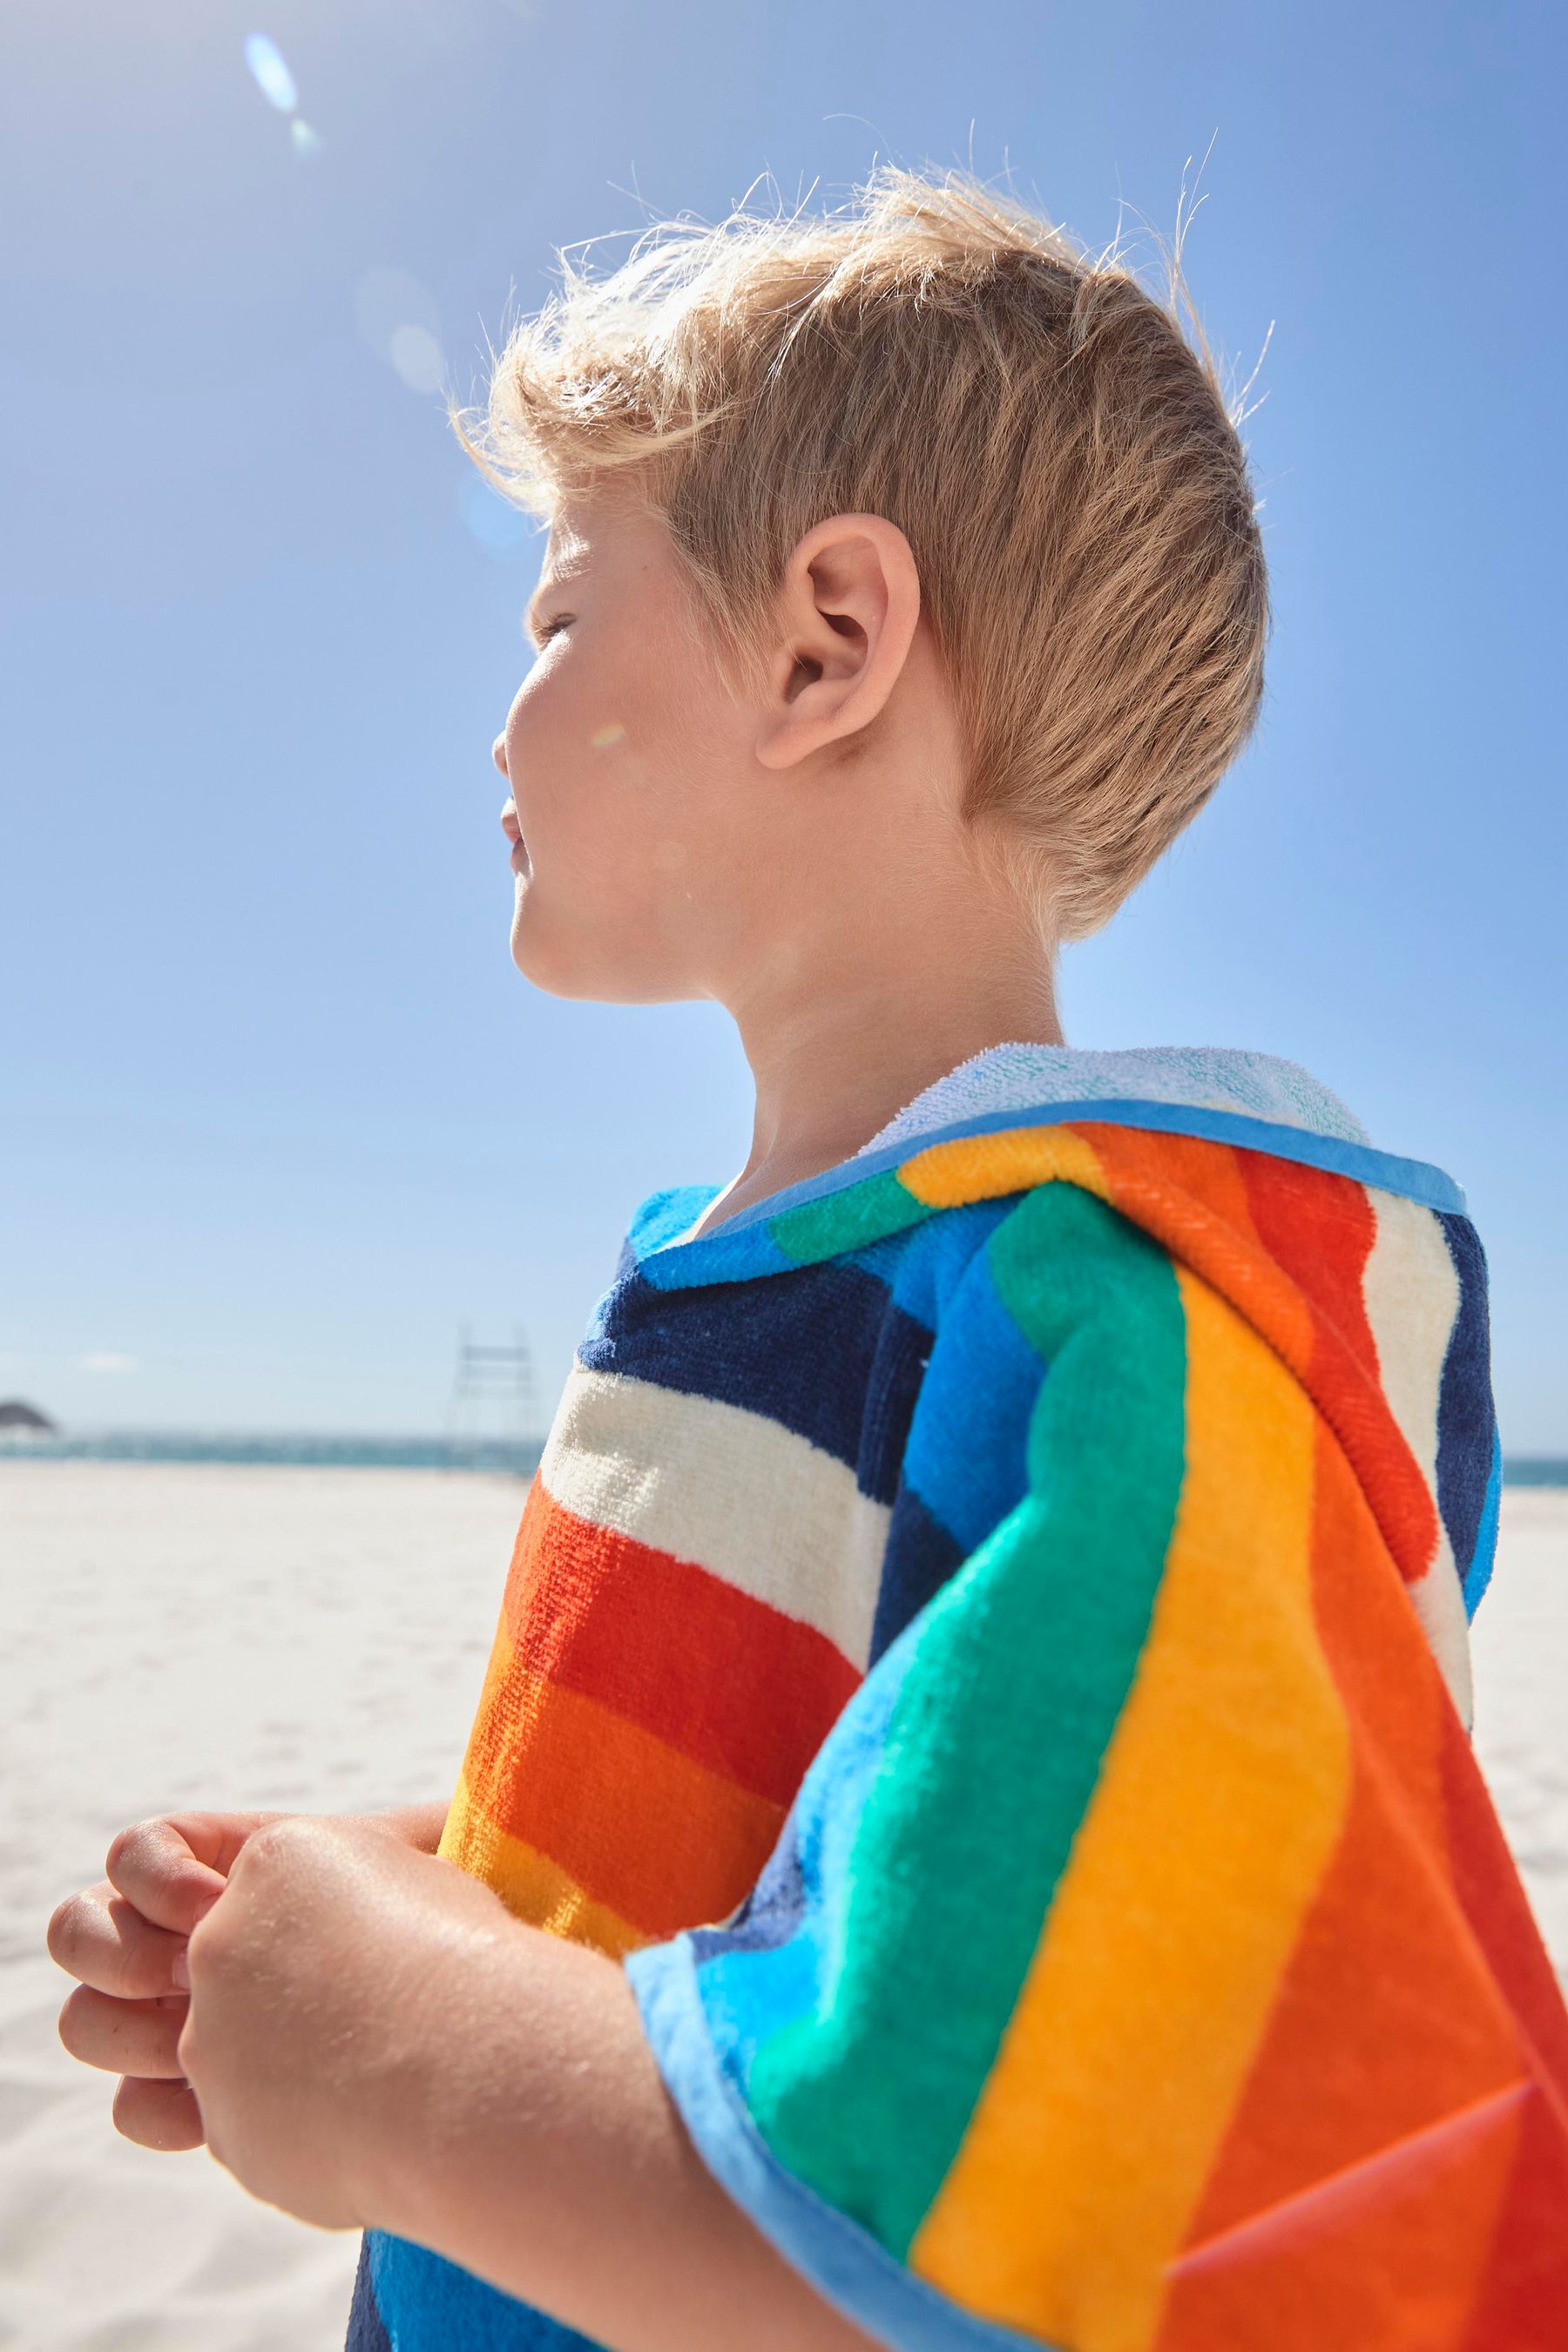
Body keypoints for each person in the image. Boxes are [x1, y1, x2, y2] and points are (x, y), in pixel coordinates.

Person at [46, 166, 1568, 2352]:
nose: (503, 714)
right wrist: (398, 1900)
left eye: (561, 621)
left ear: (822, 645)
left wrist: (397, 2054)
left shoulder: (1116, 1321)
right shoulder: (765, 1278)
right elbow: (803, 1836)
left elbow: (1002, 2196)